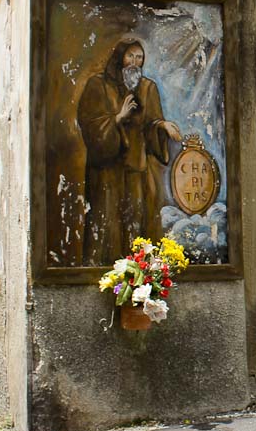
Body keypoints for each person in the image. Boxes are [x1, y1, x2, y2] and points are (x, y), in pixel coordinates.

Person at [76, 38, 182, 265]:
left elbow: (152, 121)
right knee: (108, 222)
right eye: (130, 56)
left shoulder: (148, 87)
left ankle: (140, 273)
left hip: (137, 166)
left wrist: (162, 125)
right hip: (107, 170)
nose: (135, 62)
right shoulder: (98, 84)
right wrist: (117, 118)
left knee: (136, 219)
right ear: (120, 57)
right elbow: (90, 123)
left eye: (139, 57)